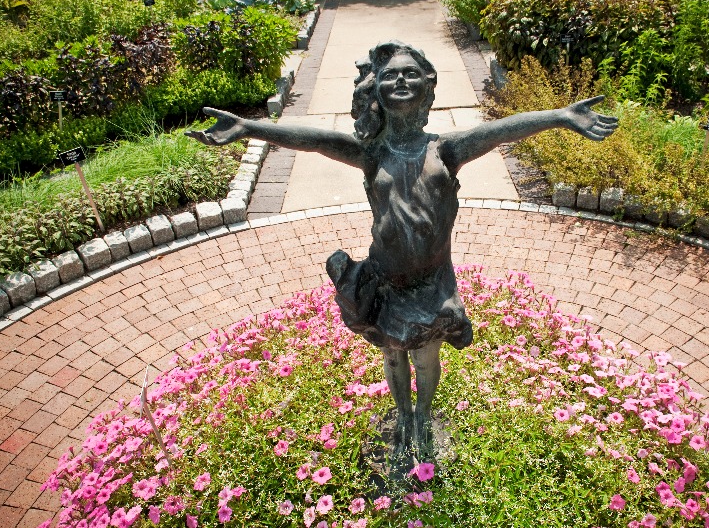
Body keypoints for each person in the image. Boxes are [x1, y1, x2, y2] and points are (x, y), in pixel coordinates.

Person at [187, 40, 617, 463]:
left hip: (432, 282)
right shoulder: (371, 153)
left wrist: (560, 117)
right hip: (384, 279)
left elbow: (502, 129)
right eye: (390, 75)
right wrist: (250, 127)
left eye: (411, 72)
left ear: (428, 84)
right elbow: (315, 139)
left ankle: (424, 414)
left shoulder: (446, 150)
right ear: (377, 91)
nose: (401, 80)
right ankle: (404, 415)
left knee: (426, 357)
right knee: (393, 356)